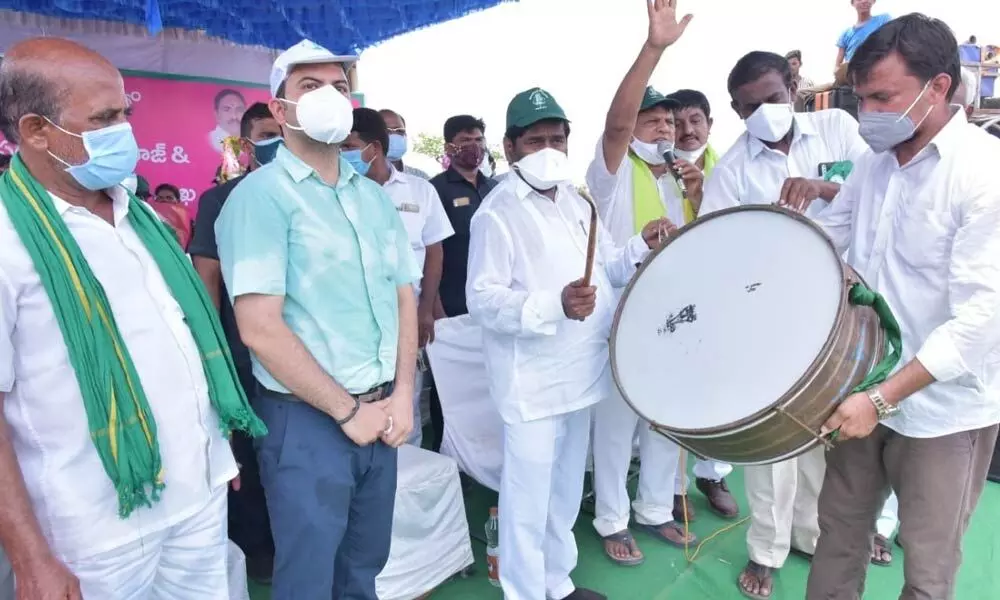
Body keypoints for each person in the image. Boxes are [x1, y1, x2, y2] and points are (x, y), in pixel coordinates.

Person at [0, 37, 264, 598]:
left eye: (126, 113)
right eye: (104, 119)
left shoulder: (140, 215)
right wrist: (29, 558)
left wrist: (211, 446)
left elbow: (180, 339)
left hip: (199, 498)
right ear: (35, 131)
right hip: (92, 532)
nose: (126, 132)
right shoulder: (7, 240)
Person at [214, 39, 420, 600]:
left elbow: (402, 295)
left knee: (363, 568)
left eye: (338, 86)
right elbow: (259, 329)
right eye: (310, 87)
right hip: (307, 422)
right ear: (279, 111)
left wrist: (402, 394)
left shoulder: (372, 198)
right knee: (308, 578)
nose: (330, 96)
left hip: (379, 413)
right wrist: (346, 409)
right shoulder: (260, 199)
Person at [805, 15, 1000, 599]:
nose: (868, 113)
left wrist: (882, 399)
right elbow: (823, 245)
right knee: (839, 534)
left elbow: (982, 321)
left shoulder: (983, 174)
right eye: (862, 98)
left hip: (942, 409)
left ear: (937, 88)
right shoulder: (874, 166)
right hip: (861, 387)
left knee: (926, 568)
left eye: (882, 97)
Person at [467, 85, 672, 600]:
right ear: (511, 147)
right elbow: (483, 299)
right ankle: (523, 591)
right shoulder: (496, 212)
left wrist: (638, 247)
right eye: (535, 141)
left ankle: (556, 581)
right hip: (532, 383)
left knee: (562, 489)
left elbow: (604, 268)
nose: (548, 151)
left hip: (580, 371)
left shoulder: (577, 201)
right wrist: (552, 304)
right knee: (528, 496)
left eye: (557, 139)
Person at [698, 50, 869, 599]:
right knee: (777, 439)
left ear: (792, 86)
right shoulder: (732, 170)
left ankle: (811, 533)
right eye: (751, 107)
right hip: (770, 313)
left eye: (773, 98)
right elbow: (716, 247)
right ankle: (766, 550)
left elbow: (877, 196)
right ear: (735, 110)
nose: (766, 112)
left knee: (827, 431)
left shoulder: (838, 129)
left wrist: (823, 190)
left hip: (842, 306)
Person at [585, 0, 705, 568]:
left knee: (665, 417)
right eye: (651, 119)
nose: (663, 126)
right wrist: (654, 48)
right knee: (615, 422)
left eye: (669, 121)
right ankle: (611, 517)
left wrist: (699, 193)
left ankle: (656, 509)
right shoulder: (608, 175)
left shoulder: (686, 177)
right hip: (620, 317)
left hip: (677, 314)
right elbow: (614, 123)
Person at [189, 100, 282, 584]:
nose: (280, 141)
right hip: (242, 357)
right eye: (268, 134)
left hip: (304, 360)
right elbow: (206, 282)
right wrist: (214, 360)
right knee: (247, 460)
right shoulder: (222, 201)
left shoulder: (315, 196)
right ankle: (258, 554)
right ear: (247, 145)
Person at [342, 107, 454, 446]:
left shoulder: (419, 190)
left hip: (408, 313)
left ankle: (406, 488)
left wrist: (424, 311)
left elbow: (434, 253)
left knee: (405, 407)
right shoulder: (337, 192)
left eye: (349, 145)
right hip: (356, 320)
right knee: (358, 408)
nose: (342, 154)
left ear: (373, 148)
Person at [662, 86, 736, 520]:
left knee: (718, 386)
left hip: (721, 294)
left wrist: (701, 195)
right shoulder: (656, 168)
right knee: (675, 389)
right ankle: (674, 485)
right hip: (673, 295)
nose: (687, 131)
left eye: (696, 121)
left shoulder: (731, 167)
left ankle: (713, 472)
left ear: (711, 123)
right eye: (678, 122)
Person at [427, 114, 498, 452]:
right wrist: (436, 310)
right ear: (449, 146)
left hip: (491, 305)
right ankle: (451, 456)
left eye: (479, 140)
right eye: (466, 140)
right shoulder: (435, 189)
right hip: (451, 305)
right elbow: (432, 254)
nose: (474, 147)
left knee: (486, 385)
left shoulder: (495, 188)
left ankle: (486, 454)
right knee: (450, 388)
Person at [835, 1, 891, 83]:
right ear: (852, 3)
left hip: (876, 71)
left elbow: (892, 44)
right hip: (852, 76)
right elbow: (837, 66)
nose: (864, 1)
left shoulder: (883, 20)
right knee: (812, 92)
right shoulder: (845, 33)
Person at [379, 108, 430, 179]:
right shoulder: (361, 180)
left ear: (405, 136)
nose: (394, 135)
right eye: (386, 131)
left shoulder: (421, 179)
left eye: (399, 131)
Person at [209, 88, 247, 152]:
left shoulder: (253, 142)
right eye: (227, 109)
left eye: (239, 109)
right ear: (217, 114)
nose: (234, 116)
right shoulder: (210, 140)